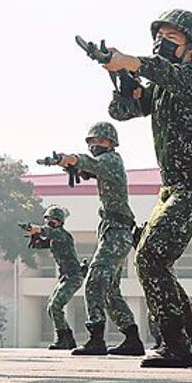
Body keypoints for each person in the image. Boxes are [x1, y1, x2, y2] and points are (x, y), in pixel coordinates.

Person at [101, 9, 192, 368]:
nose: (162, 43)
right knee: (157, 260)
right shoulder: (162, 88)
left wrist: (131, 62)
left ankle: (174, 344)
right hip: (173, 190)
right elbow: (124, 112)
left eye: (172, 38)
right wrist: (122, 79)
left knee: (150, 258)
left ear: (191, 47)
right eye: (160, 36)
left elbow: (161, 72)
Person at [51, 122, 142, 357]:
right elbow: (92, 169)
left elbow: (91, 164)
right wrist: (75, 167)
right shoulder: (108, 163)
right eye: (91, 141)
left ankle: (96, 338)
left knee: (93, 281)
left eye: (100, 141)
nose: (95, 145)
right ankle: (132, 338)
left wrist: (71, 160)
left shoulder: (111, 159)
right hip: (115, 230)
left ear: (111, 143)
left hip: (117, 230)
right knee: (110, 289)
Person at [25, 206, 85, 350]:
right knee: (52, 307)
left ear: (59, 221)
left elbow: (50, 232)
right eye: (47, 220)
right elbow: (37, 245)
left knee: (55, 306)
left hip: (73, 276)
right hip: (65, 277)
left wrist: (37, 229)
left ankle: (62, 339)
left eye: (52, 220)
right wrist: (33, 234)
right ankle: (67, 338)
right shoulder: (53, 237)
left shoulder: (62, 235)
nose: (49, 222)